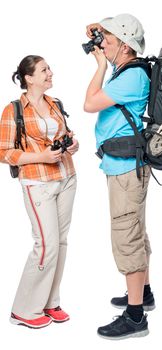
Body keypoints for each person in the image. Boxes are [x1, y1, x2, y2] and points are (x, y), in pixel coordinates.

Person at [84, 14, 155, 340]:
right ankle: (145, 292)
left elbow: (90, 103)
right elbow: (100, 31)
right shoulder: (128, 66)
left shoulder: (130, 76)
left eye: (110, 42)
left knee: (126, 237)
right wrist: (100, 31)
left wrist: (98, 65)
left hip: (126, 170)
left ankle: (136, 316)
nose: (104, 46)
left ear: (126, 46)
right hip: (125, 167)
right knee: (135, 231)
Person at [0, 55, 78, 329]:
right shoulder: (13, 110)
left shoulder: (55, 104)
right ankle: (23, 309)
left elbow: (66, 134)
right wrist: (41, 157)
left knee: (61, 243)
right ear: (29, 78)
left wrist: (71, 144)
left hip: (66, 176)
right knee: (45, 244)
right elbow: (3, 152)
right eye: (44, 70)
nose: (50, 73)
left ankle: (50, 302)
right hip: (38, 181)